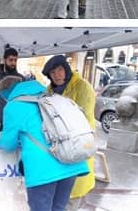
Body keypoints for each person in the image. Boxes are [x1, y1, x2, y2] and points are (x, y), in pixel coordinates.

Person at [0, 74, 89, 211]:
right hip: (71, 161)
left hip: (43, 170)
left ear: (7, 93)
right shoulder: (52, 97)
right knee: (58, 208)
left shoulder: (14, 106)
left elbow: (7, 145)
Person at [43, 55, 97, 203]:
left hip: (79, 144)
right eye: (52, 73)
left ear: (66, 69)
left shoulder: (82, 87)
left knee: (73, 196)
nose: (57, 75)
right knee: (59, 198)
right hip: (59, 149)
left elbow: (84, 120)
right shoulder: (48, 91)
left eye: (60, 70)